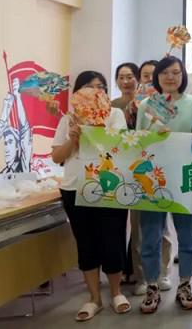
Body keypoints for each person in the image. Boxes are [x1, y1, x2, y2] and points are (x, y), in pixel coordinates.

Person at [51, 71, 130, 321]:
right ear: (78, 92)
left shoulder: (114, 115)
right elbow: (57, 156)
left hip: (108, 186)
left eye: (101, 87)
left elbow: (119, 148)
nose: (97, 91)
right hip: (74, 187)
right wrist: (73, 140)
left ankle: (116, 293)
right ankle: (94, 298)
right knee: (86, 243)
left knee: (113, 240)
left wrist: (94, 129)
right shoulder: (68, 118)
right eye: (90, 86)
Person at [136, 56, 192, 314]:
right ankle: (152, 286)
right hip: (152, 179)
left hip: (186, 179)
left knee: (188, 237)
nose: (170, 77)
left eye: (176, 72)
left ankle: (185, 284)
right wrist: (152, 136)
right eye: (165, 73)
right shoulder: (147, 105)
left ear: (183, 75)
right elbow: (137, 142)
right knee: (150, 236)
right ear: (157, 77)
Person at [125, 60, 173, 296]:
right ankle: (141, 276)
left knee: (163, 229)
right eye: (145, 75)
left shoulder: (169, 104)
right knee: (139, 230)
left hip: (164, 171)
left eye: (154, 75)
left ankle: (163, 272)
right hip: (137, 171)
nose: (150, 79)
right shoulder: (128, 106)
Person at [111, 62, 139, 129]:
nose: (125, 82)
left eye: (129, 77)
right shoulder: (111, 105)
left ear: (138, 79)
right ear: (116, 80)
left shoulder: (143, 104)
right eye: (121, 78)